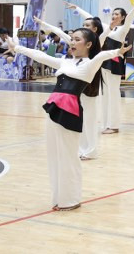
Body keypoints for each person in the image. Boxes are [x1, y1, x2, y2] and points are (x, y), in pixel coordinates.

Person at [8, 30, 131, 211]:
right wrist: (17, 48)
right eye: (71, 39)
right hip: (53, 108)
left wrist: (117, 52)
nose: (72, 42)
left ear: (88, 44)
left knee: (69, 156)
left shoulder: (90, 64)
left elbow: (102, 55)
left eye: (77, 39)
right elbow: (40, 56)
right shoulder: (65, 61)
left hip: (70, 111)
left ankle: (71, 199)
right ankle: (59, 198)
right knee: (54, 155)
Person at [35, 14, 108, 161]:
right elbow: (59, 32)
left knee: (90, 119)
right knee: (80, 119)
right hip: (75, 86)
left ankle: (91, 150)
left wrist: (112, 27)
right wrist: (43, 23)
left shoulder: (95, 41)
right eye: (84, 24)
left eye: (87, 25)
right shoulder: (77, 41)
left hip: (89, 85)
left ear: (95, 29)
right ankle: (81, 148)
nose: (84, 26)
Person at [66, 2, 134, 135]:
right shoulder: (108, 27)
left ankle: (114, 125)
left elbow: (129, 20)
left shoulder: (122, 30)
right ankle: (105, 124)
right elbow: (91, 19)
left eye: (117, 14)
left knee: (113, 95)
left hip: (114, 65)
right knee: (104, 96)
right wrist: (77, 8)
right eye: (113, 13)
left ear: (122, 17)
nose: (114, 16)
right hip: (103, 64)